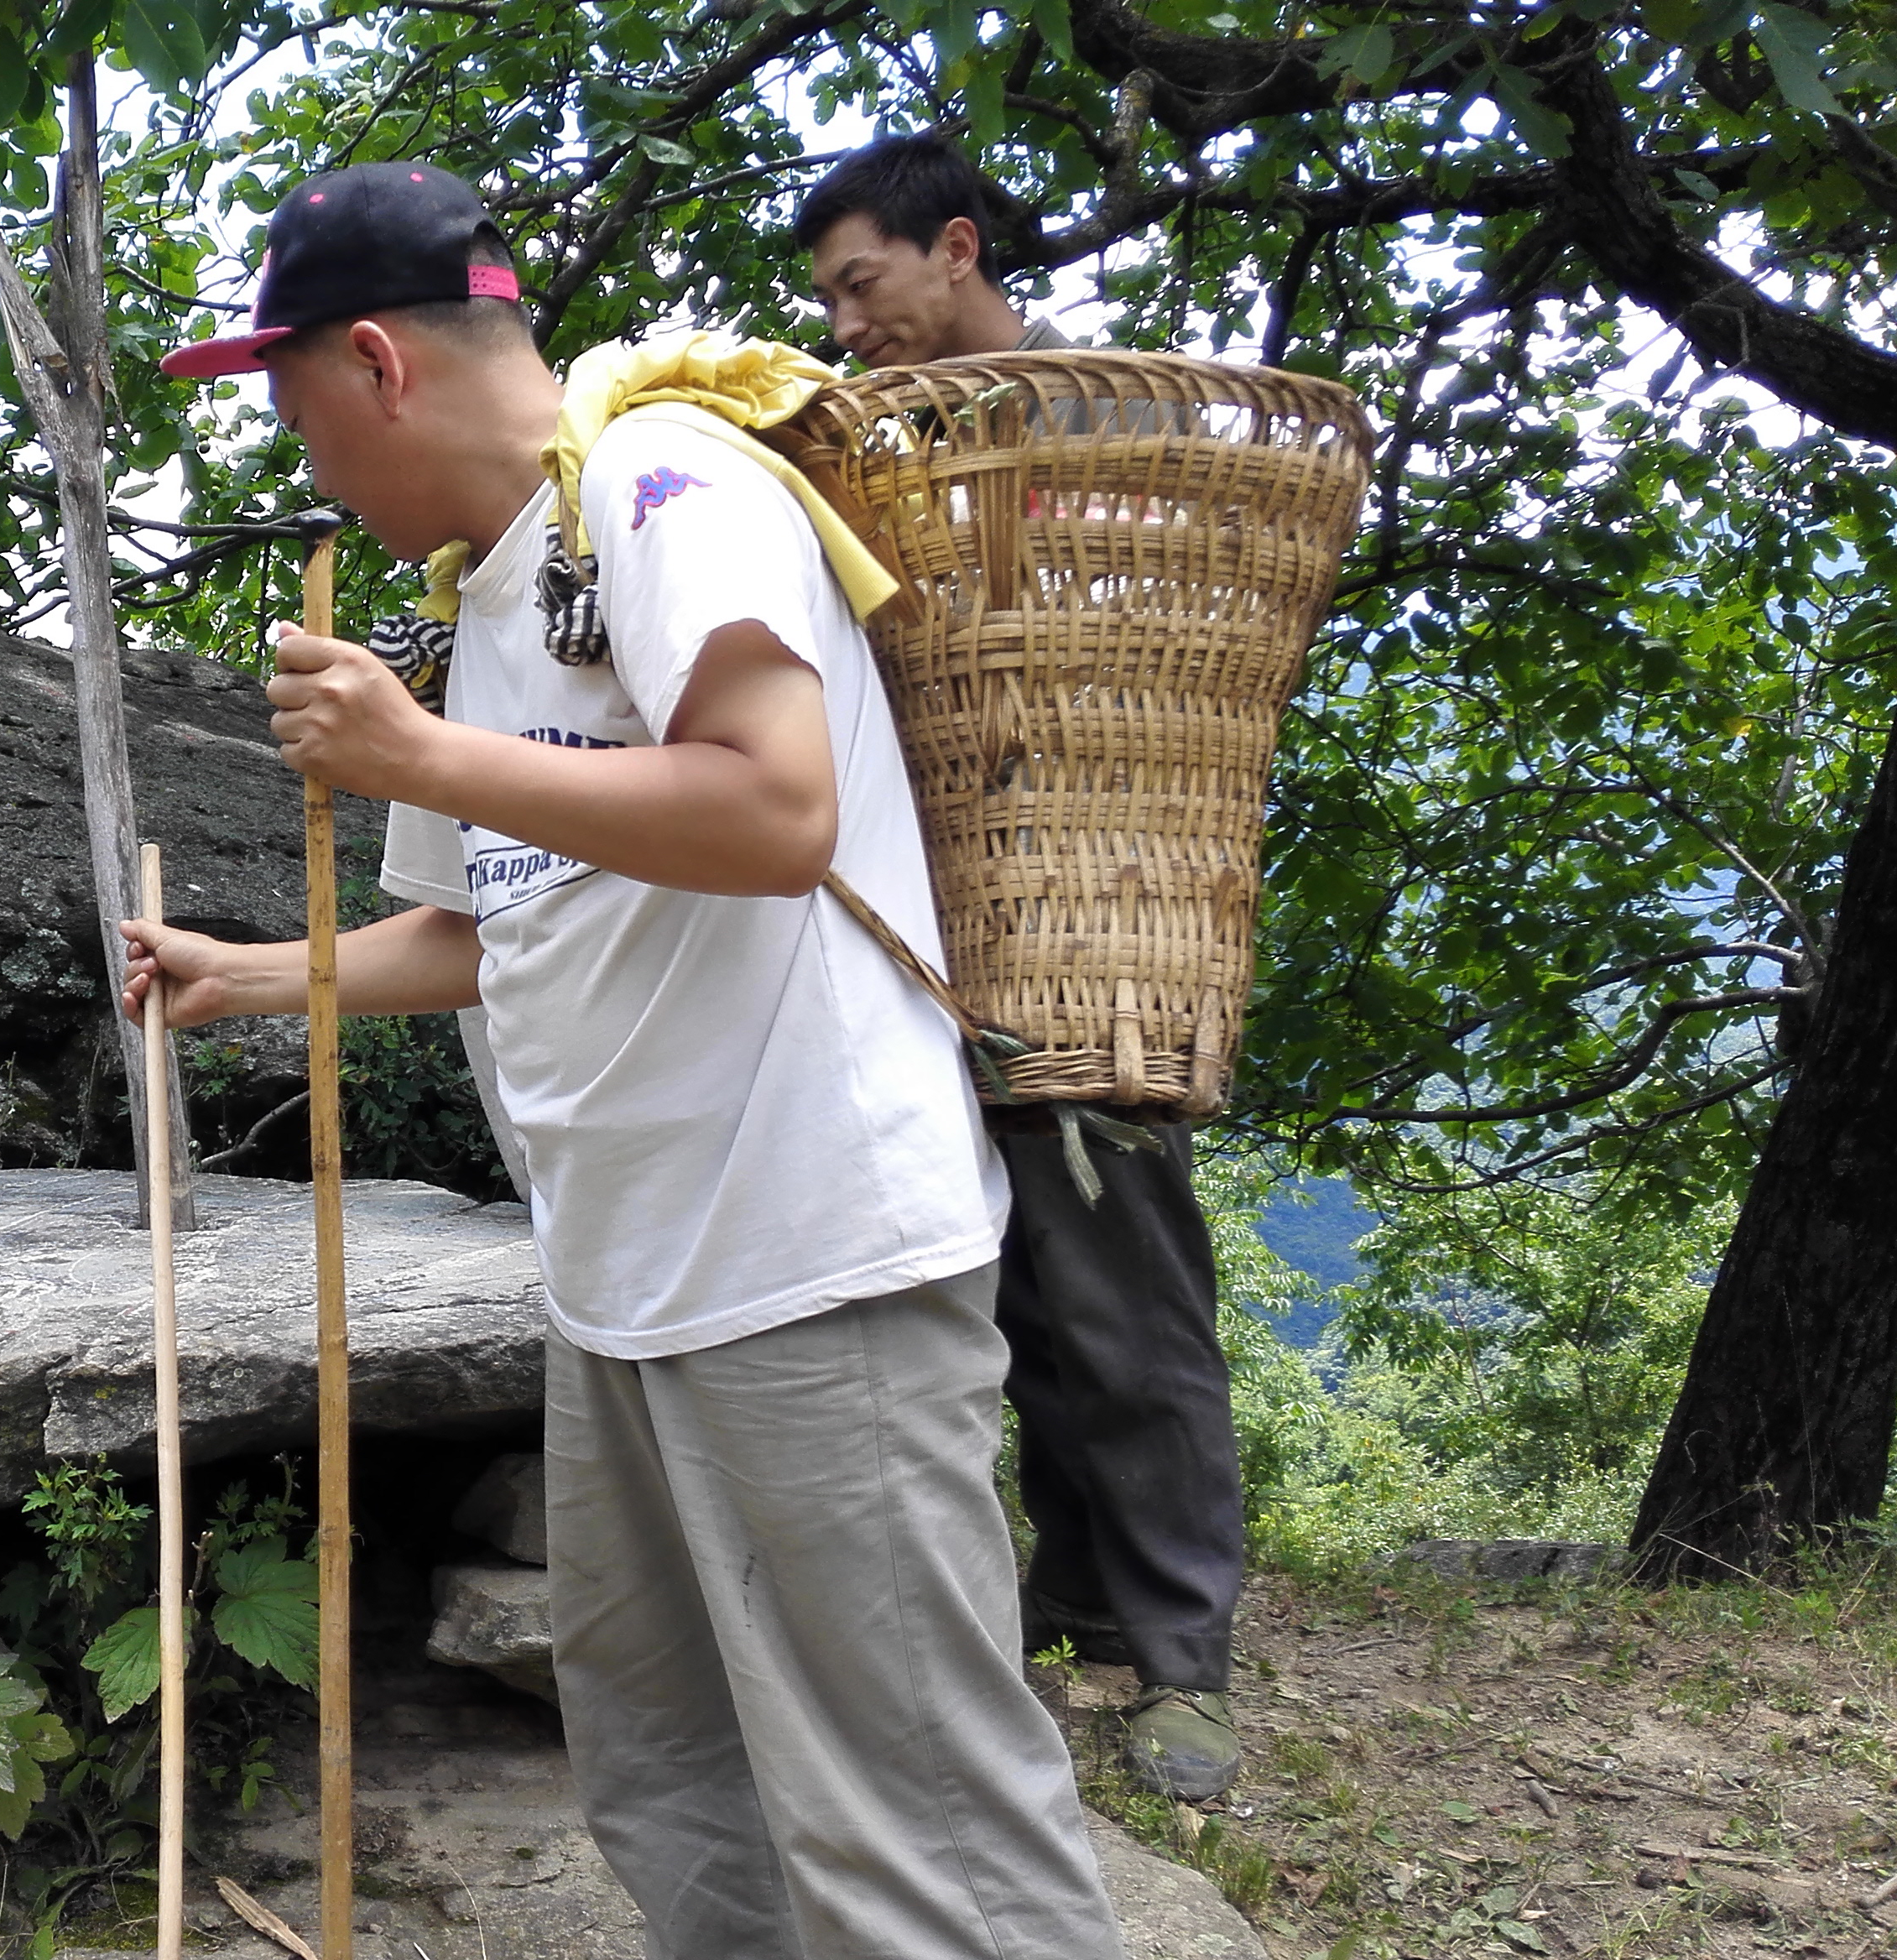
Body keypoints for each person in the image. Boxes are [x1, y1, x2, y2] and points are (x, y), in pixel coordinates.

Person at [140, 162, 1124, 1960]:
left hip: (808, 1251)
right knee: (674, 1774)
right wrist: (249, 976)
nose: (305, 465)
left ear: (374, 363)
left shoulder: (670, 486)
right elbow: (488, 921)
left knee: (916, 1821)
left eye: (290, 405)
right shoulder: (484, 601)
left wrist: (412, 755)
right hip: (623, 1283)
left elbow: (774, 808)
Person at [797, 129, 1250, 1802]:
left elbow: (1161, 621)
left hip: (1101, 918)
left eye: (862, 284)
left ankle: (1187, 1658)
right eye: (830, 302)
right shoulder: (888, 453)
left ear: (957, 248)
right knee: (1009, 1290)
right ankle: (1078, 1599)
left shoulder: (1105, 418)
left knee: (1127, 1290)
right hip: (941, 922)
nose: (848, 324)